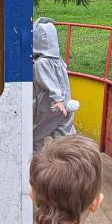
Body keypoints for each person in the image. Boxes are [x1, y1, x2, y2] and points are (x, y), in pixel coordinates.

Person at [32, 17, 79, 151]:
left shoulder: (42, 63)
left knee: (36, 136)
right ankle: (71, 157)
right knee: (65, 135)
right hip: (66, 104)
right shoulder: (58, 60)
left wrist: (57, 99)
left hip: (53, 106)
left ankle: (36, 157)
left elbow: (50, 82)